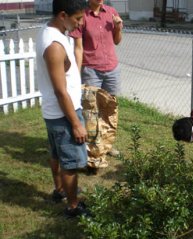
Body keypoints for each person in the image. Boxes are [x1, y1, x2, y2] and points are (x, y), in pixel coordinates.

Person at [36, 0, 89, 218]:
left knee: (56, 153)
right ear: (63, 15)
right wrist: (76, 124)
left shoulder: (50, 31)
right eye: (77, 19)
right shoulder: (55, 46)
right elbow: (60, 91)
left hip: (53, 112)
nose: (80, 24)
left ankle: (60, 191)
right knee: (71, 162)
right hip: (63, 113)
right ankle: (73, 207)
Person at [69, 0, 123, 157]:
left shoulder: (112, 12)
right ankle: (93, 147)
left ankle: (107, 144)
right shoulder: (82, 16)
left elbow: (117, 41)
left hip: (112, 68)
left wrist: (118, 27)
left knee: (109, 108)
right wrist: (76, 73)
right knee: (91, 111)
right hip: (91, 70)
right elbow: (78, 48)